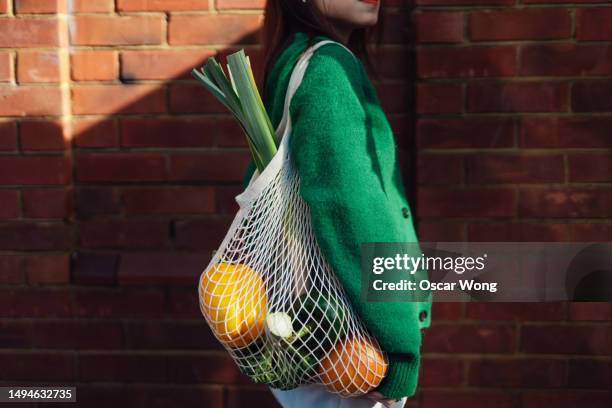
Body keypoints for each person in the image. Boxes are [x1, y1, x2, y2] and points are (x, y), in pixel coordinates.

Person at [241, 1, 432, 407]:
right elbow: (353, 212)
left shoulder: (291, 60)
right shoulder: (327, 69)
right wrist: (399, 350)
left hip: (309, 332)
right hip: (356, 345)